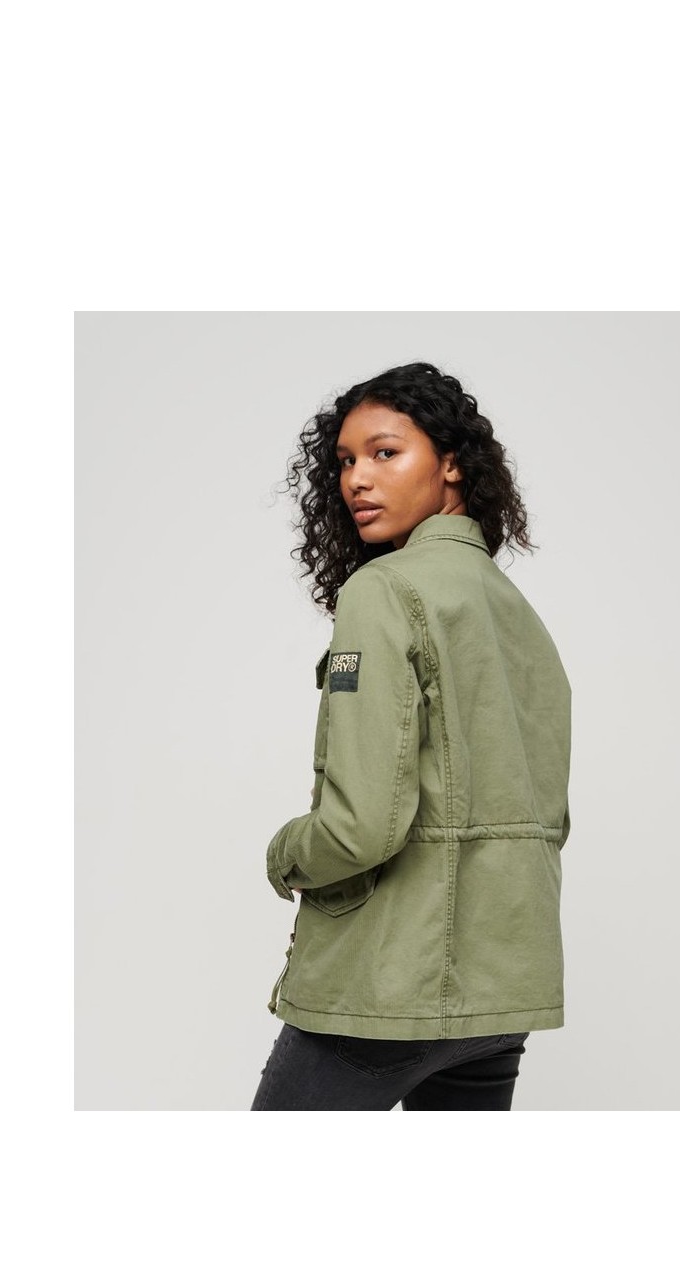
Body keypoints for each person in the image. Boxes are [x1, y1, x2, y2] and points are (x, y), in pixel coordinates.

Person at [252, 362, 571, 1110]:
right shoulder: (513, 608)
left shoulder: (384, 590)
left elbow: (361, 826)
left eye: (385, 453)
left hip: (389, 985)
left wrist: (286, 854)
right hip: (501, 994)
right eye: (345, 461)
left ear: (452, 463)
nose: (357, 479)